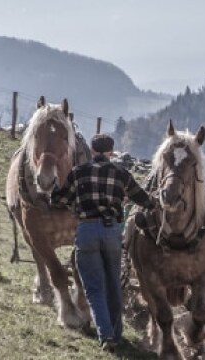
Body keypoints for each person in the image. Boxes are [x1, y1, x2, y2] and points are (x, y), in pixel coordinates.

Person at [51, 134, 153, 353]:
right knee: (113, 285)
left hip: (87, 230)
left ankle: (106, 335)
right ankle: (117, 333)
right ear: (111, 152)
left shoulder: (78, 172)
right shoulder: (121, 173)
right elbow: (143, 199)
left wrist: (71, 198)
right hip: (112, 232)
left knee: (94, 288)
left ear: (91, 149)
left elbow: (57, 199)